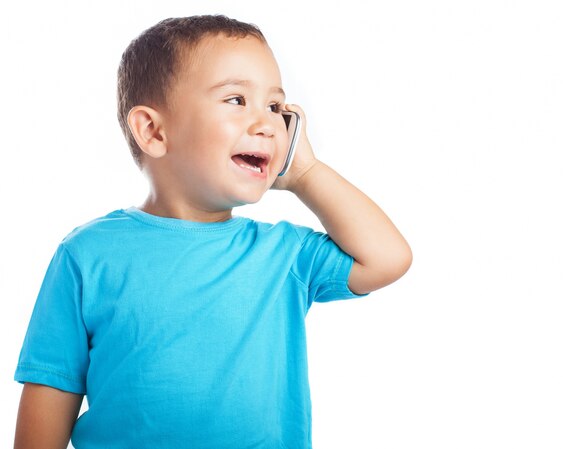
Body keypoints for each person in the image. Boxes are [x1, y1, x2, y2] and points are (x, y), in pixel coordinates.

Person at [13, 14, 412, 449]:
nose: (266, 123)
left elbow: (388, 258)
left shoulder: (284, 253)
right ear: (153, 130)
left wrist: (306, 173)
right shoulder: (86, 255)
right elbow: (51, 390)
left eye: (276, 108)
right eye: (237, 100)